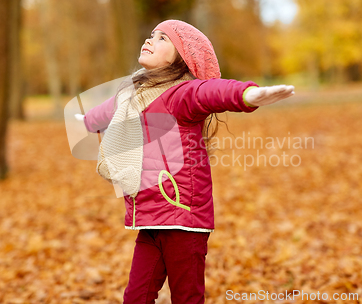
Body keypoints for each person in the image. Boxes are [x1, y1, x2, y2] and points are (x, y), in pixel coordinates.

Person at [75, 19, 294, 303]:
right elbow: (108, 110)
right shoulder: (133, 94)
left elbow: (212, 92)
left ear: (182, 59)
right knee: (136, 297)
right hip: (150, 220)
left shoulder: (182, 95)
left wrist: (246, 95)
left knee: (187, 297)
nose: (151, 39)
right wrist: (88, 121)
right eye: (152, 34)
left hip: (183, 221)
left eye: (163, 38)